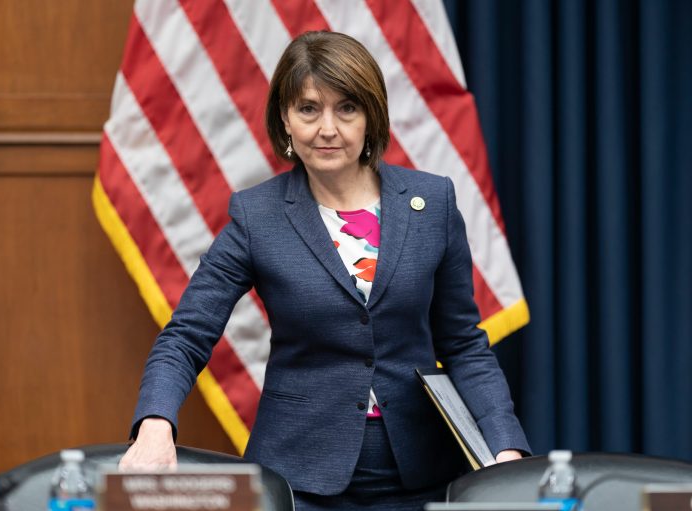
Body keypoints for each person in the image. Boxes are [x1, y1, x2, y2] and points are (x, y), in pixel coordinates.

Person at [119, 31, 530, 510]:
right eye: (309, 109)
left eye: (347, 108)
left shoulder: (431, 203)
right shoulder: (258, 217)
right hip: (299, 480)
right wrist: (154, 425)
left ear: (372, 116)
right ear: (285, 120)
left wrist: (505, 447)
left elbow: (462, 344)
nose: (327, 128)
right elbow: (186, 336)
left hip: (422, 477)